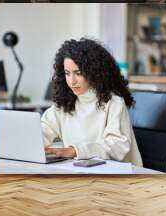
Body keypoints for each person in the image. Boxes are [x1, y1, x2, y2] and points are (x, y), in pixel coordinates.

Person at [41, 38, 143, 167]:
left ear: (93, 72)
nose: (71, 81)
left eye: (78, 73)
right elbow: (44, 129)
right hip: (79, 172)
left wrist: (74, 151)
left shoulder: (113, 102)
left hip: (117, 175)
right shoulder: (65, 101)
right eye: (67, 73)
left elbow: (117, 146)